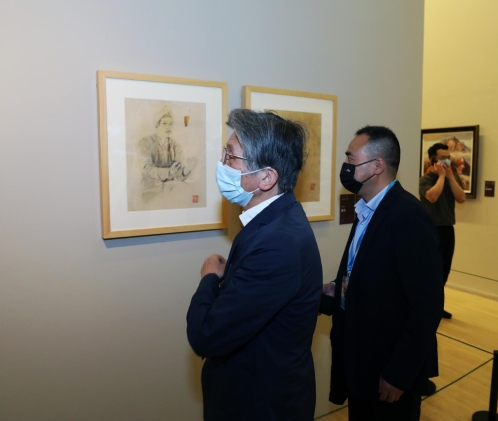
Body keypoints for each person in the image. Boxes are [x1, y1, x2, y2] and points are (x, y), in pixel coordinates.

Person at [186, 109, 323, 421]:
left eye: (231, 156)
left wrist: (209, 277)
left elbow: (206, 335)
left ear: (266, 177)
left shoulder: (278, 242)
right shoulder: (275, 220)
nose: (222, 164)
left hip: (260, 405)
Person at [320, 125, 443, 420]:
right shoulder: (367, 209)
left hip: (388, 370)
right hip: (362, 363)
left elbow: (426, 307)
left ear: (377, 166)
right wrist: (338, 287)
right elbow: (375, 273)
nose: (345, 166)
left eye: (351, 159)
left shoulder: (409, 217)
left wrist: (399, 374)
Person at [419, 143, 466, 319]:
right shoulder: (426, 179)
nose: (447, 161)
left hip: (447, 228)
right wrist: (440, 177)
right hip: (431, 230)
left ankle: (437, 306)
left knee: (444, 270)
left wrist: (450, 177)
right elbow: (432, 196)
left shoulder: (452, 177)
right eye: (443, 158)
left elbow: (461, 198)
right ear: (433, 160)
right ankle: (425, 307)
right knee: (430, 271)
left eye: (449, 157)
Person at [138, 105, 196, 196]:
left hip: (170, 188)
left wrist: (185, 170)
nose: (168, 127)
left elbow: (178, 175)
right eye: (164, 123)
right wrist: (169, 172)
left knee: (187, 190)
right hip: (151, 188)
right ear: (157, 126)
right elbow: (147, 169)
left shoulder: (175, 145)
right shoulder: (146, 142)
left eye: (171, 124)